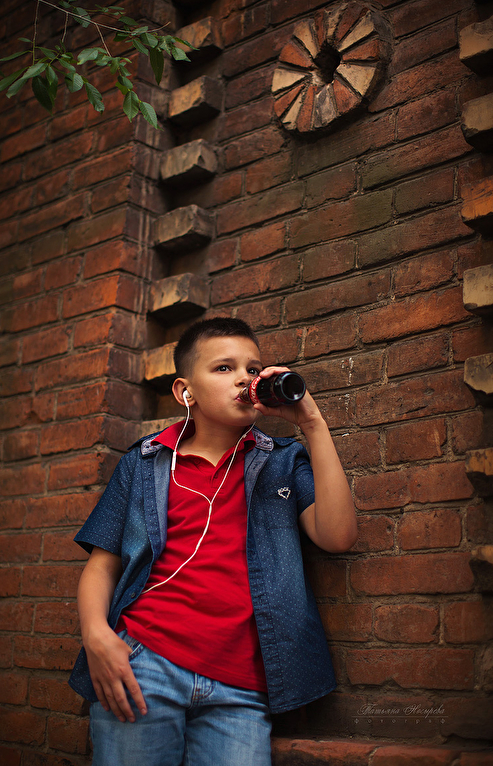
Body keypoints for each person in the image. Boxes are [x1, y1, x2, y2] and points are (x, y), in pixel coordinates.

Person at [69, 317, 357, 766]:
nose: (243, 378)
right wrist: (97, 637)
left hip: (242, 687)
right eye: (224, 368)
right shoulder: (144, 463)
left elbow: (337, 536)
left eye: (252, 368)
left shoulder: (282, 461)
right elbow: (102, 567)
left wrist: (312, 423)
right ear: (186, 392)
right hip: (144, 664)